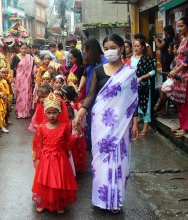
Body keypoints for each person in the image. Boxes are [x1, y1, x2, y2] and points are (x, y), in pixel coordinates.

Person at [74, 34, 139, 213]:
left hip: (122, 124)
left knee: (119, 160)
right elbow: (91, 94)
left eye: (114, 47)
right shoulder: (99, 70)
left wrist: (135, 123)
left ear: (121, 48)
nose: (110, 51)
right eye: (107, 47)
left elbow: (133, 100)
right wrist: (81, 112)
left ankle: (115, 200)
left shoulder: (129, 73)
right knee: (100, 161)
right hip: (101, 123)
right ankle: (102, 198)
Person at [32, 93, 77, 214]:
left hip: (59, 158)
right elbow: (39, 143)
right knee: (44, 180)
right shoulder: (41, 127)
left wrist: (68, 150)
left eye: (54, 112)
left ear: (60, 112)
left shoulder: (65, 126)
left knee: (58, 180)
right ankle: (43, 202)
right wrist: (37, 157)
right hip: (45, 158)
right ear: (44, 113)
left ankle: (59, 203)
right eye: (49, 112)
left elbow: (68, 140)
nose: (51, 115)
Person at [78, 38, 108, 150]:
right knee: (90, 119)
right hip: (90, 96)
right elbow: (85, 75)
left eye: (86, 51)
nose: (84, 53)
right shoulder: (90, 61)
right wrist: (79, 88)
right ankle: (91, 144)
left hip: (101, 97)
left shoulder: (105, 62)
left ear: (92, 50)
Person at [131, 38, 156, 136]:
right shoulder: (132, 58)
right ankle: (135, 125)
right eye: (135, 46)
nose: (136, 48)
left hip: (145, 85)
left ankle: (145, 128)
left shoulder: (147, 58)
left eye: (138, 46)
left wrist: (142, 77)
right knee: (135, 104)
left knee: (146, 104)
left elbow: (153, 71)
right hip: (134, 85)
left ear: (142, 47)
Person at [168, 17, 188, 137]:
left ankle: (186, 127)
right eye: (178, 26)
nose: (179, 29)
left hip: (185, 75)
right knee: (179, 101)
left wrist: (177, 70)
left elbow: (186, 59)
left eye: (181, 26)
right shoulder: (182, 39)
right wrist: (174, 70)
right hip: (179, 75)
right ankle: (181, 124)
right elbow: (179, 59)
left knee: (185, 102)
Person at [10, 43, 35, 118]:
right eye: (22, 48)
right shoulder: (15, 57)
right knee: (20, 96)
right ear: (19, 49)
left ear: (27, 49)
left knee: (27, 95)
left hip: (28, 80)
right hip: (19, 80)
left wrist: (34, 77)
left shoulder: (30, 58)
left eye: (25, 48)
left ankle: (26, 112)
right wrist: (12, 77)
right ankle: (20, 112)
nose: (24, 50)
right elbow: (12, 68)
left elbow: (32, 69)